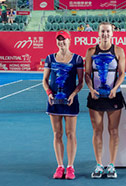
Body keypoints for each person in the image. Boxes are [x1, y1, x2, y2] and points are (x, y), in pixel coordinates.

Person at [85, 22, 126, 179]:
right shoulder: (90, 51)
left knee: (113, 131)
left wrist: (115, 88)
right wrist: (91, 89)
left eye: (108, 31)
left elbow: (122, 73)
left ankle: (111, 165)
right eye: (103, 31)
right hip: (95, 96)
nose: (105, 34)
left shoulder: (118, 50)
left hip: (113, 96)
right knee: (97, 131)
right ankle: (99, 164)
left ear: (112, 33)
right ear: (98, 33)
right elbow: (87, 74)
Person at [42, 30, 84, 180]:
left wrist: (73, 95)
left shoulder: (78, 59)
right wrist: (49, 94)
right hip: (54, 102)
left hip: (71, 101)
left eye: (64, 39)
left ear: (69, 40)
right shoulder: (50, 58)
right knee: (57, 134)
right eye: (59, 40)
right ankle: (60, 166)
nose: (61, 42)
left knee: (70, 134)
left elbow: (80, 82)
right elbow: (45, 80)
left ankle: (70, 167)